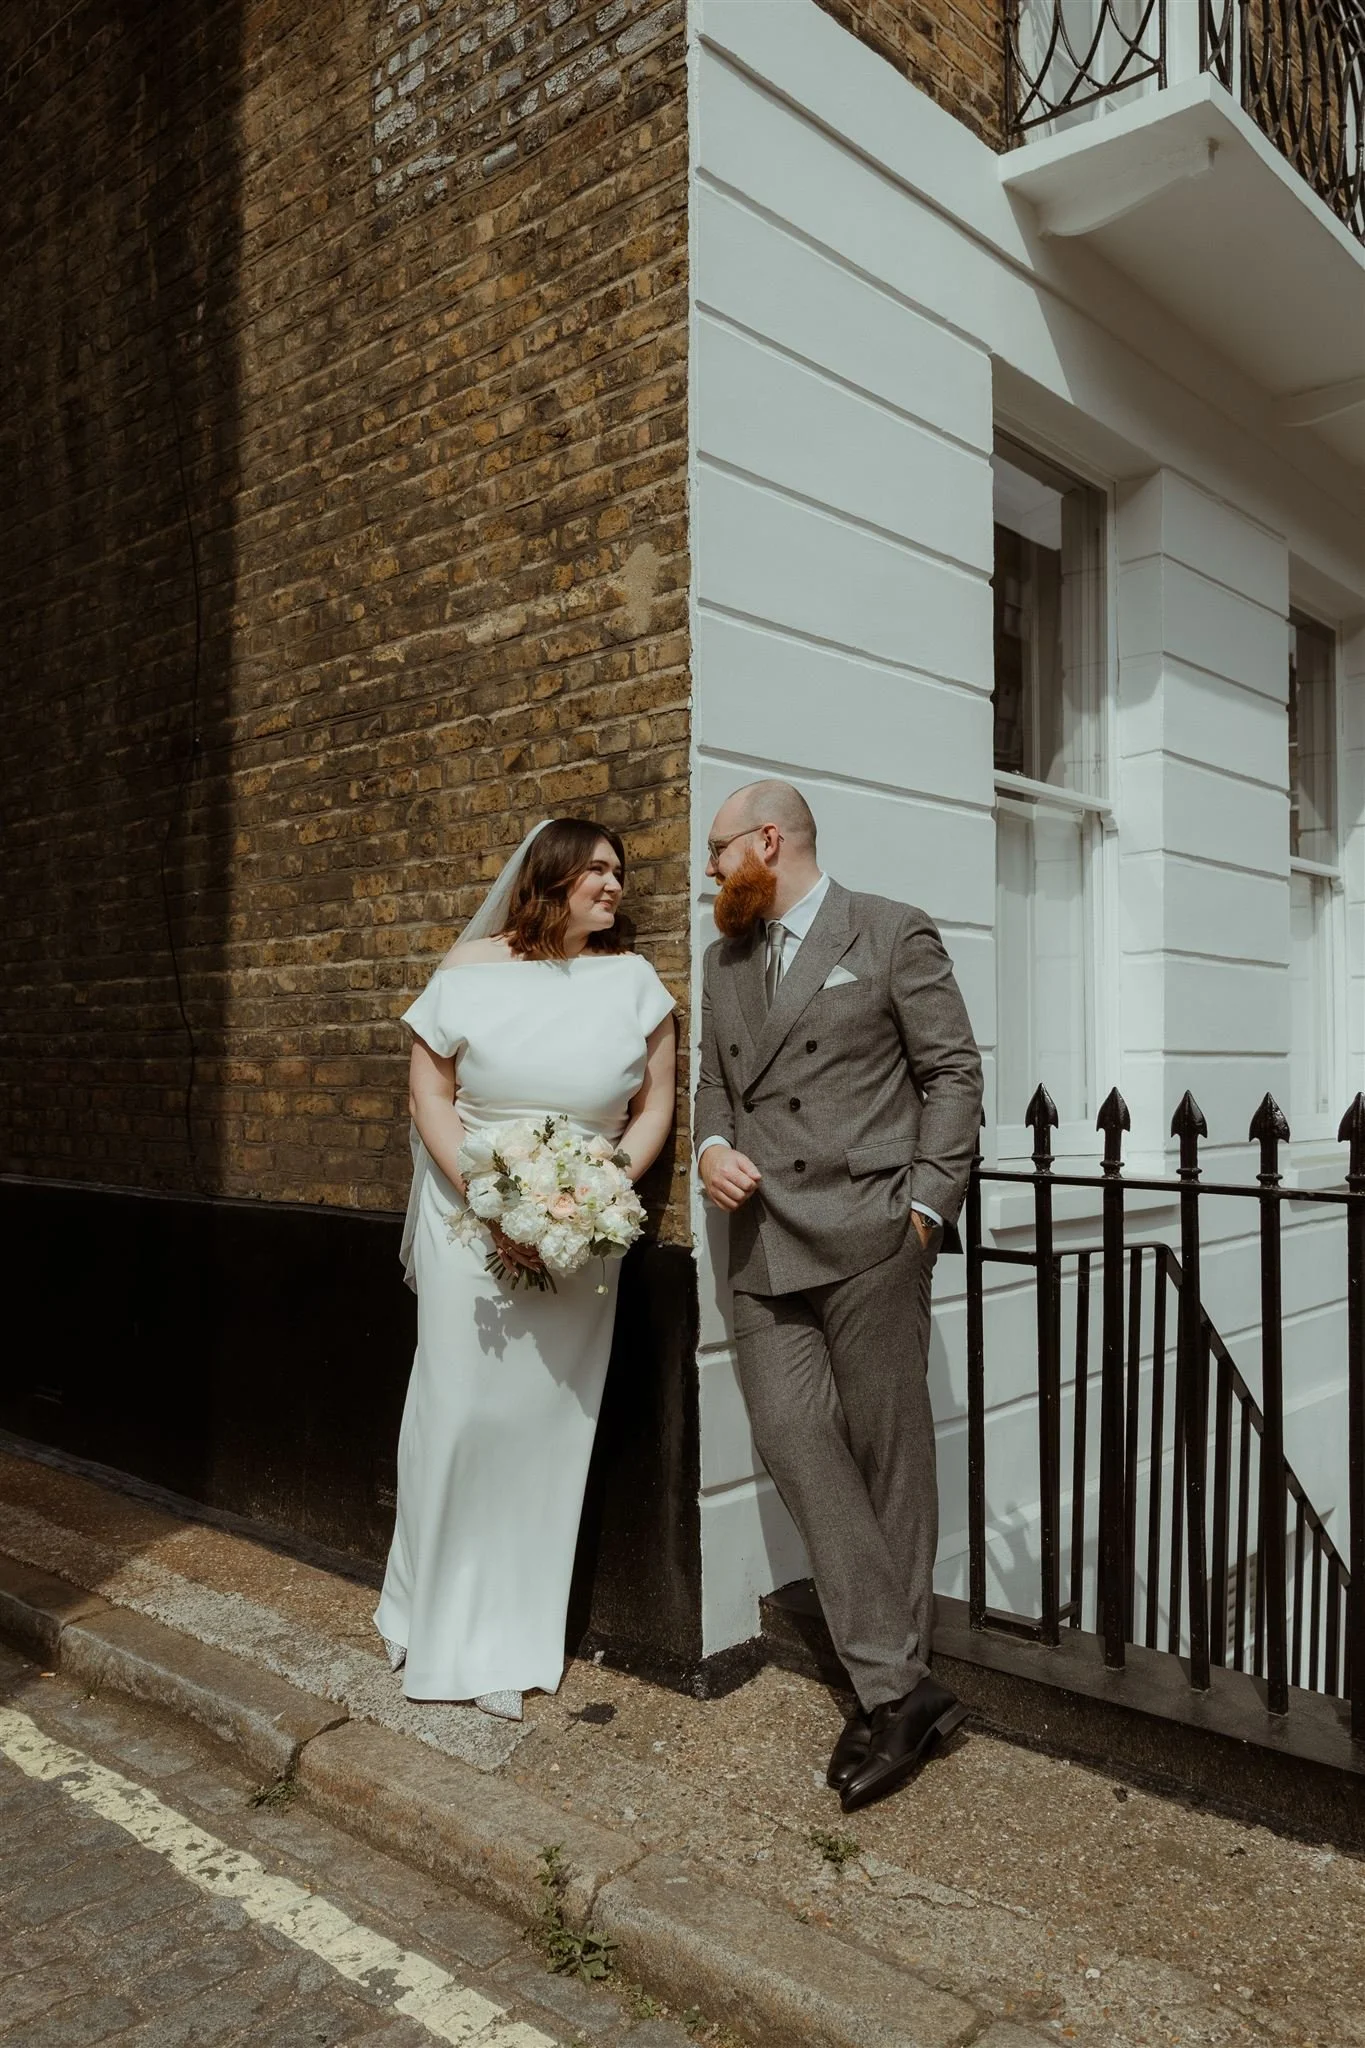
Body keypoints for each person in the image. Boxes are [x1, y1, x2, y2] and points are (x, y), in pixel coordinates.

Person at [695, 780, 982, 1811]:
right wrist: (713, 1145)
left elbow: (953, 1072)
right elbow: (715, 1089)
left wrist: (927, 1211)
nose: (708, 877)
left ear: (769, 841)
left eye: (719, 853)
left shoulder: (891, 931)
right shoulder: (725, 961)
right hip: (766, 1245)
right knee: (792, 1435)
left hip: (871, 1235)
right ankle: (903, 1688)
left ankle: (888, 1692)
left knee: (886, 1449)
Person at [376, 818, 677, 1719]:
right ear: (547, 878)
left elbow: (655, 1100)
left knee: (549, 1426)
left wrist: (594, 1193)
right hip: (468, 1216)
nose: (612, 884)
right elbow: (428, 1088)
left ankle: (507, 1634)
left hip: (580, 1230)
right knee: (460, 1410)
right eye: (594, 869)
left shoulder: (634, 981)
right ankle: (422, 1608)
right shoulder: (469, 969)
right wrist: (484, 1194)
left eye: (617, 871)